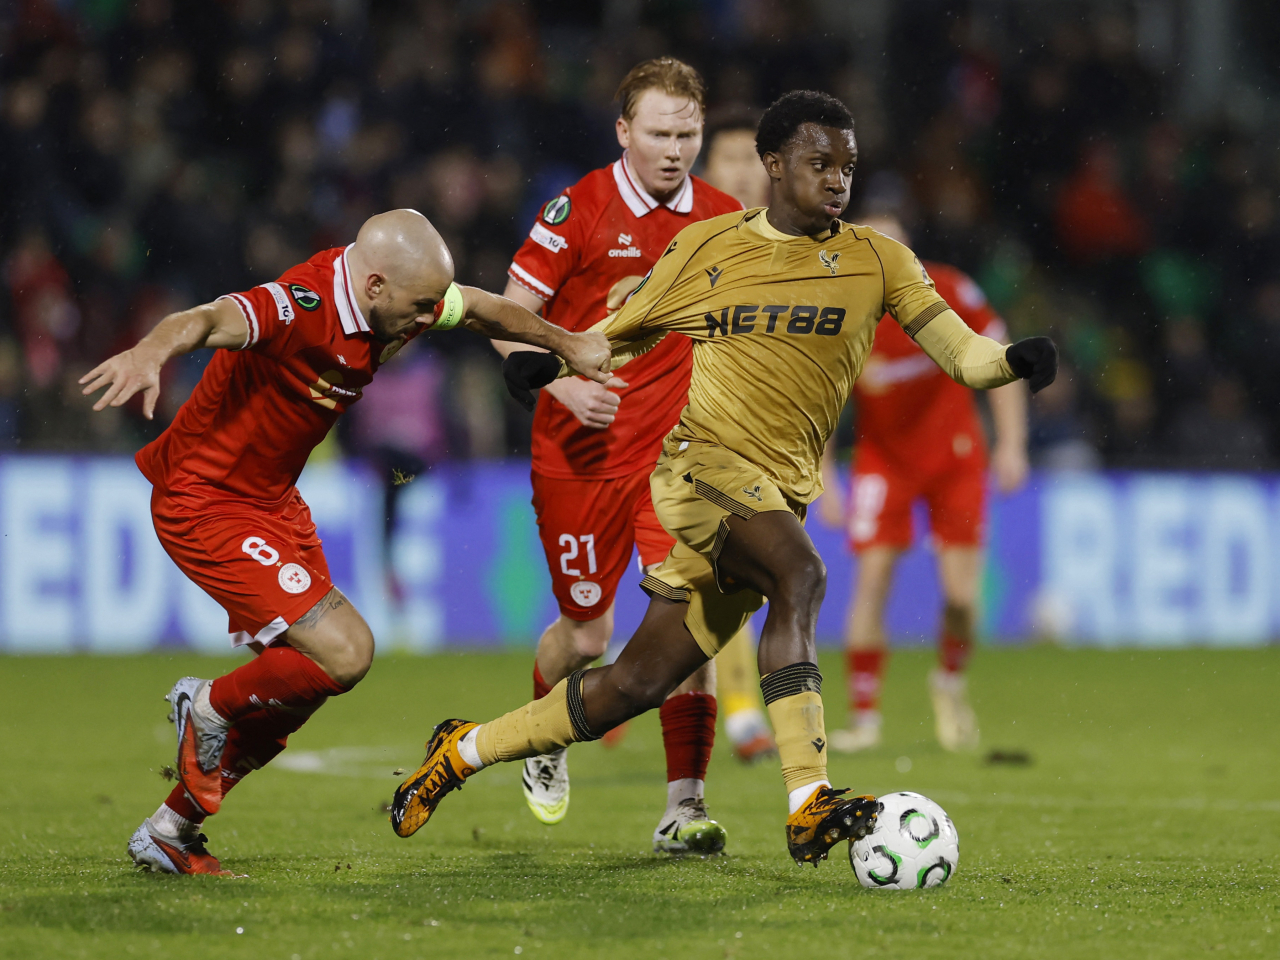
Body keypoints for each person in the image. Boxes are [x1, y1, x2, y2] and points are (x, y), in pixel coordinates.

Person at [390, 91, 1057, 866]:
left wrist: (1010, 362)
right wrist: (552, 360)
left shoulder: (880, 260)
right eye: (819, 163)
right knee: (800, 575)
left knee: (631, 684)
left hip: (778, 493)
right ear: (773, 167)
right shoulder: (711, 248)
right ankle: (809, 799)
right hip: (700, 472)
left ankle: (461, 750)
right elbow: (623, 333)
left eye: (847, 165)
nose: (838, 180)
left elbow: (958, 349)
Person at [79, 209, 611, 876]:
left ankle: (169, 829)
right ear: (375, 286)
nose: (427, 322)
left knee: (304, 686)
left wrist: (566, 342)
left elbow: (477, 308)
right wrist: (153, 348)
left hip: (272, 503)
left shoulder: (398, 299)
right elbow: (210, 319)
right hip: (206, 501)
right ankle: (206, 703)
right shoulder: (301, 306)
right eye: (418, 308)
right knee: (347, 651)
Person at [491, 58, 744, 852]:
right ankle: (545, 734)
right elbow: (505, 318)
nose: (675, 150)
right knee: (587, 635)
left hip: (674, 460)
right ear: (624, 131)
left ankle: (684, 807)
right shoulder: (578, 211)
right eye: (661, 133)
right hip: (578, 456)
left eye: (689, 134)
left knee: (687, 622)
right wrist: (561, 384)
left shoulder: (725, 217)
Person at [817, 212, 1029, 754]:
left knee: (962, 598)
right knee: (871, 582)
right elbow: (820, 405)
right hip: (883, 463)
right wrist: (824, 480)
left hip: (954, 458)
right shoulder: (840, 316)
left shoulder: (950, 289)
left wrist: (1011, 444)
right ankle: (865, 719)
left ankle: (949, 681)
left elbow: (1002, 359)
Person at [697, 105, 778, 764]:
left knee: (732, 573)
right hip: (678, 431)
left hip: (756, 433)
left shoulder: (789, 242)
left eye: (755, 159)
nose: (744, 173)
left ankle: (740, 707)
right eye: (731, 159)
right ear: (706, 168)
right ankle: (741, 709)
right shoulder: (688, 239)